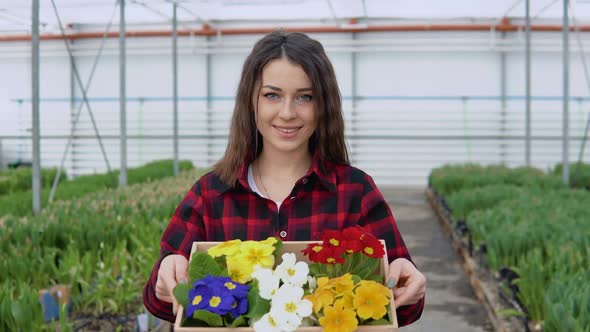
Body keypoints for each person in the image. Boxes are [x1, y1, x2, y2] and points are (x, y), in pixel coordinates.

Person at [143, 31, 426, 326]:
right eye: (272, 95)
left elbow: (403, 305)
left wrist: (404, 277)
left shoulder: (356, 191)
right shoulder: (210, 194)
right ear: (251, 102)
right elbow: (157, 299)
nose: (288, 112)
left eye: (305, 96)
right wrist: (167, 273)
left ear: (324, 105)